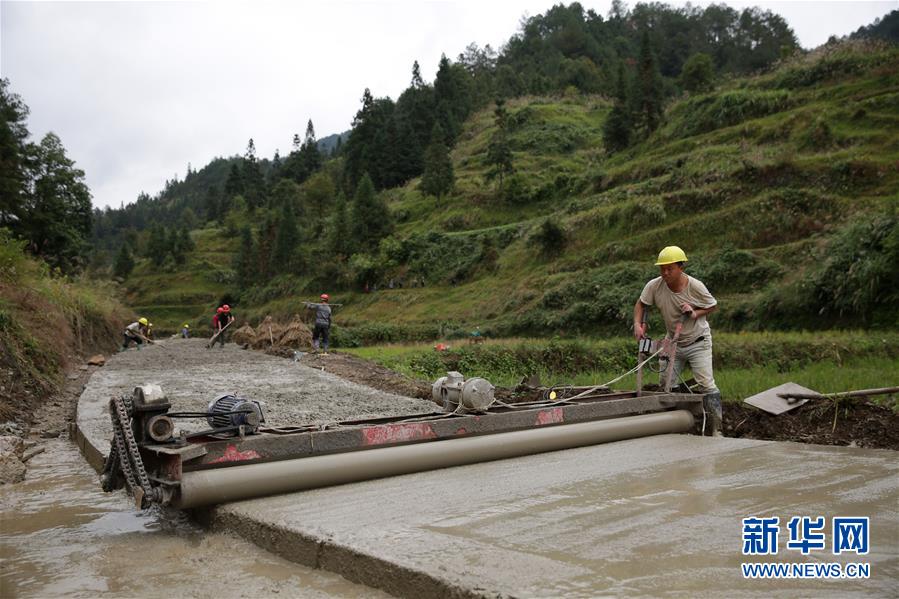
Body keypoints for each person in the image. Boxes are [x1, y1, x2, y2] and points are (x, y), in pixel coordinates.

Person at [633, 246, 722, 436]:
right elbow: (641, 303)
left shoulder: (695, 286)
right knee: (666, 383)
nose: (665, 273)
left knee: (706, 383)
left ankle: (717, 429)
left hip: (698, 341)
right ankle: (676, 424)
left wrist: (694, 312)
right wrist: (637, 324)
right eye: (662, 268)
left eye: (669, 268)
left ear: (681, 267)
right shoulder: (654, 286)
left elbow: (712, 305)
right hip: (672, 341)